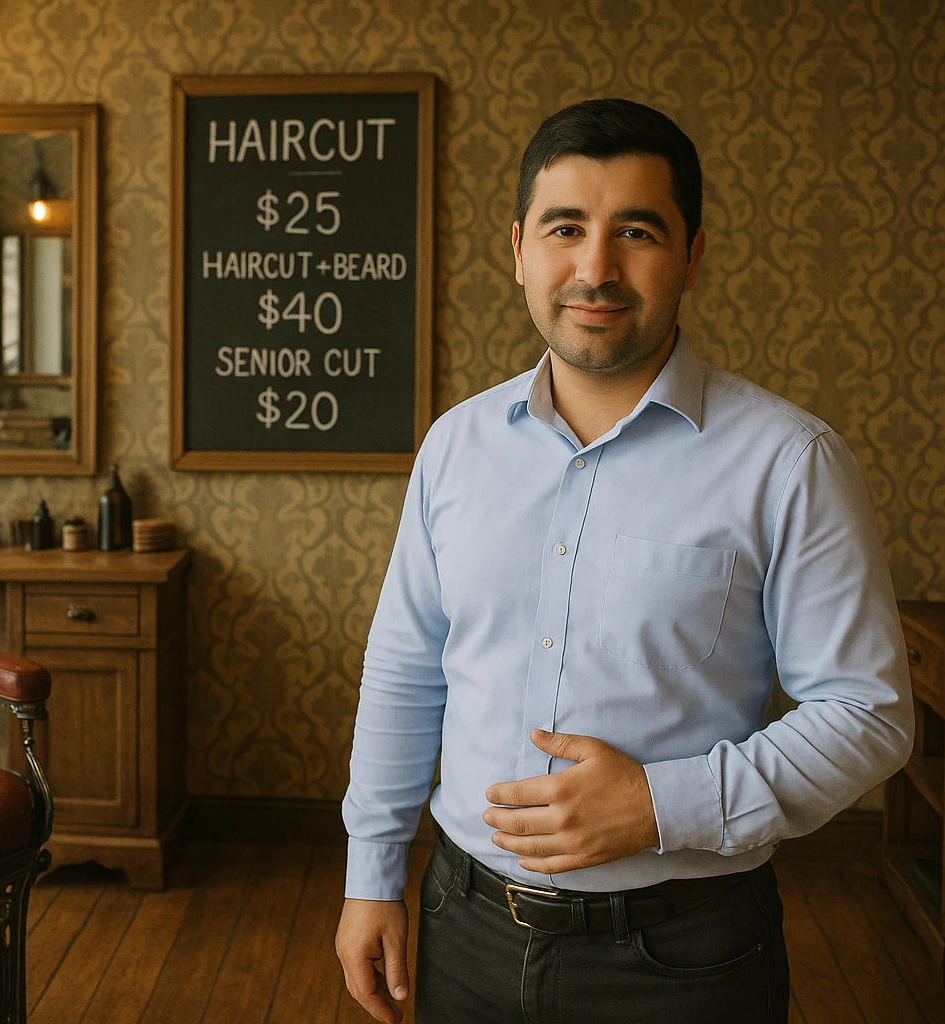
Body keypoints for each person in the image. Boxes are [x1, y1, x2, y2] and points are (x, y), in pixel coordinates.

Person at [333, 97, 913, 1024]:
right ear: (519, 248)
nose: (596, 269)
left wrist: (659, 805)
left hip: (684, 956)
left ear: (693, 254)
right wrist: (371, 877)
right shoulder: (454, 446)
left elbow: (869, 716)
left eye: (637, 231)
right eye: (567, 228)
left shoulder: (790, 461)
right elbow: (406, 670)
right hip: (464, 926)